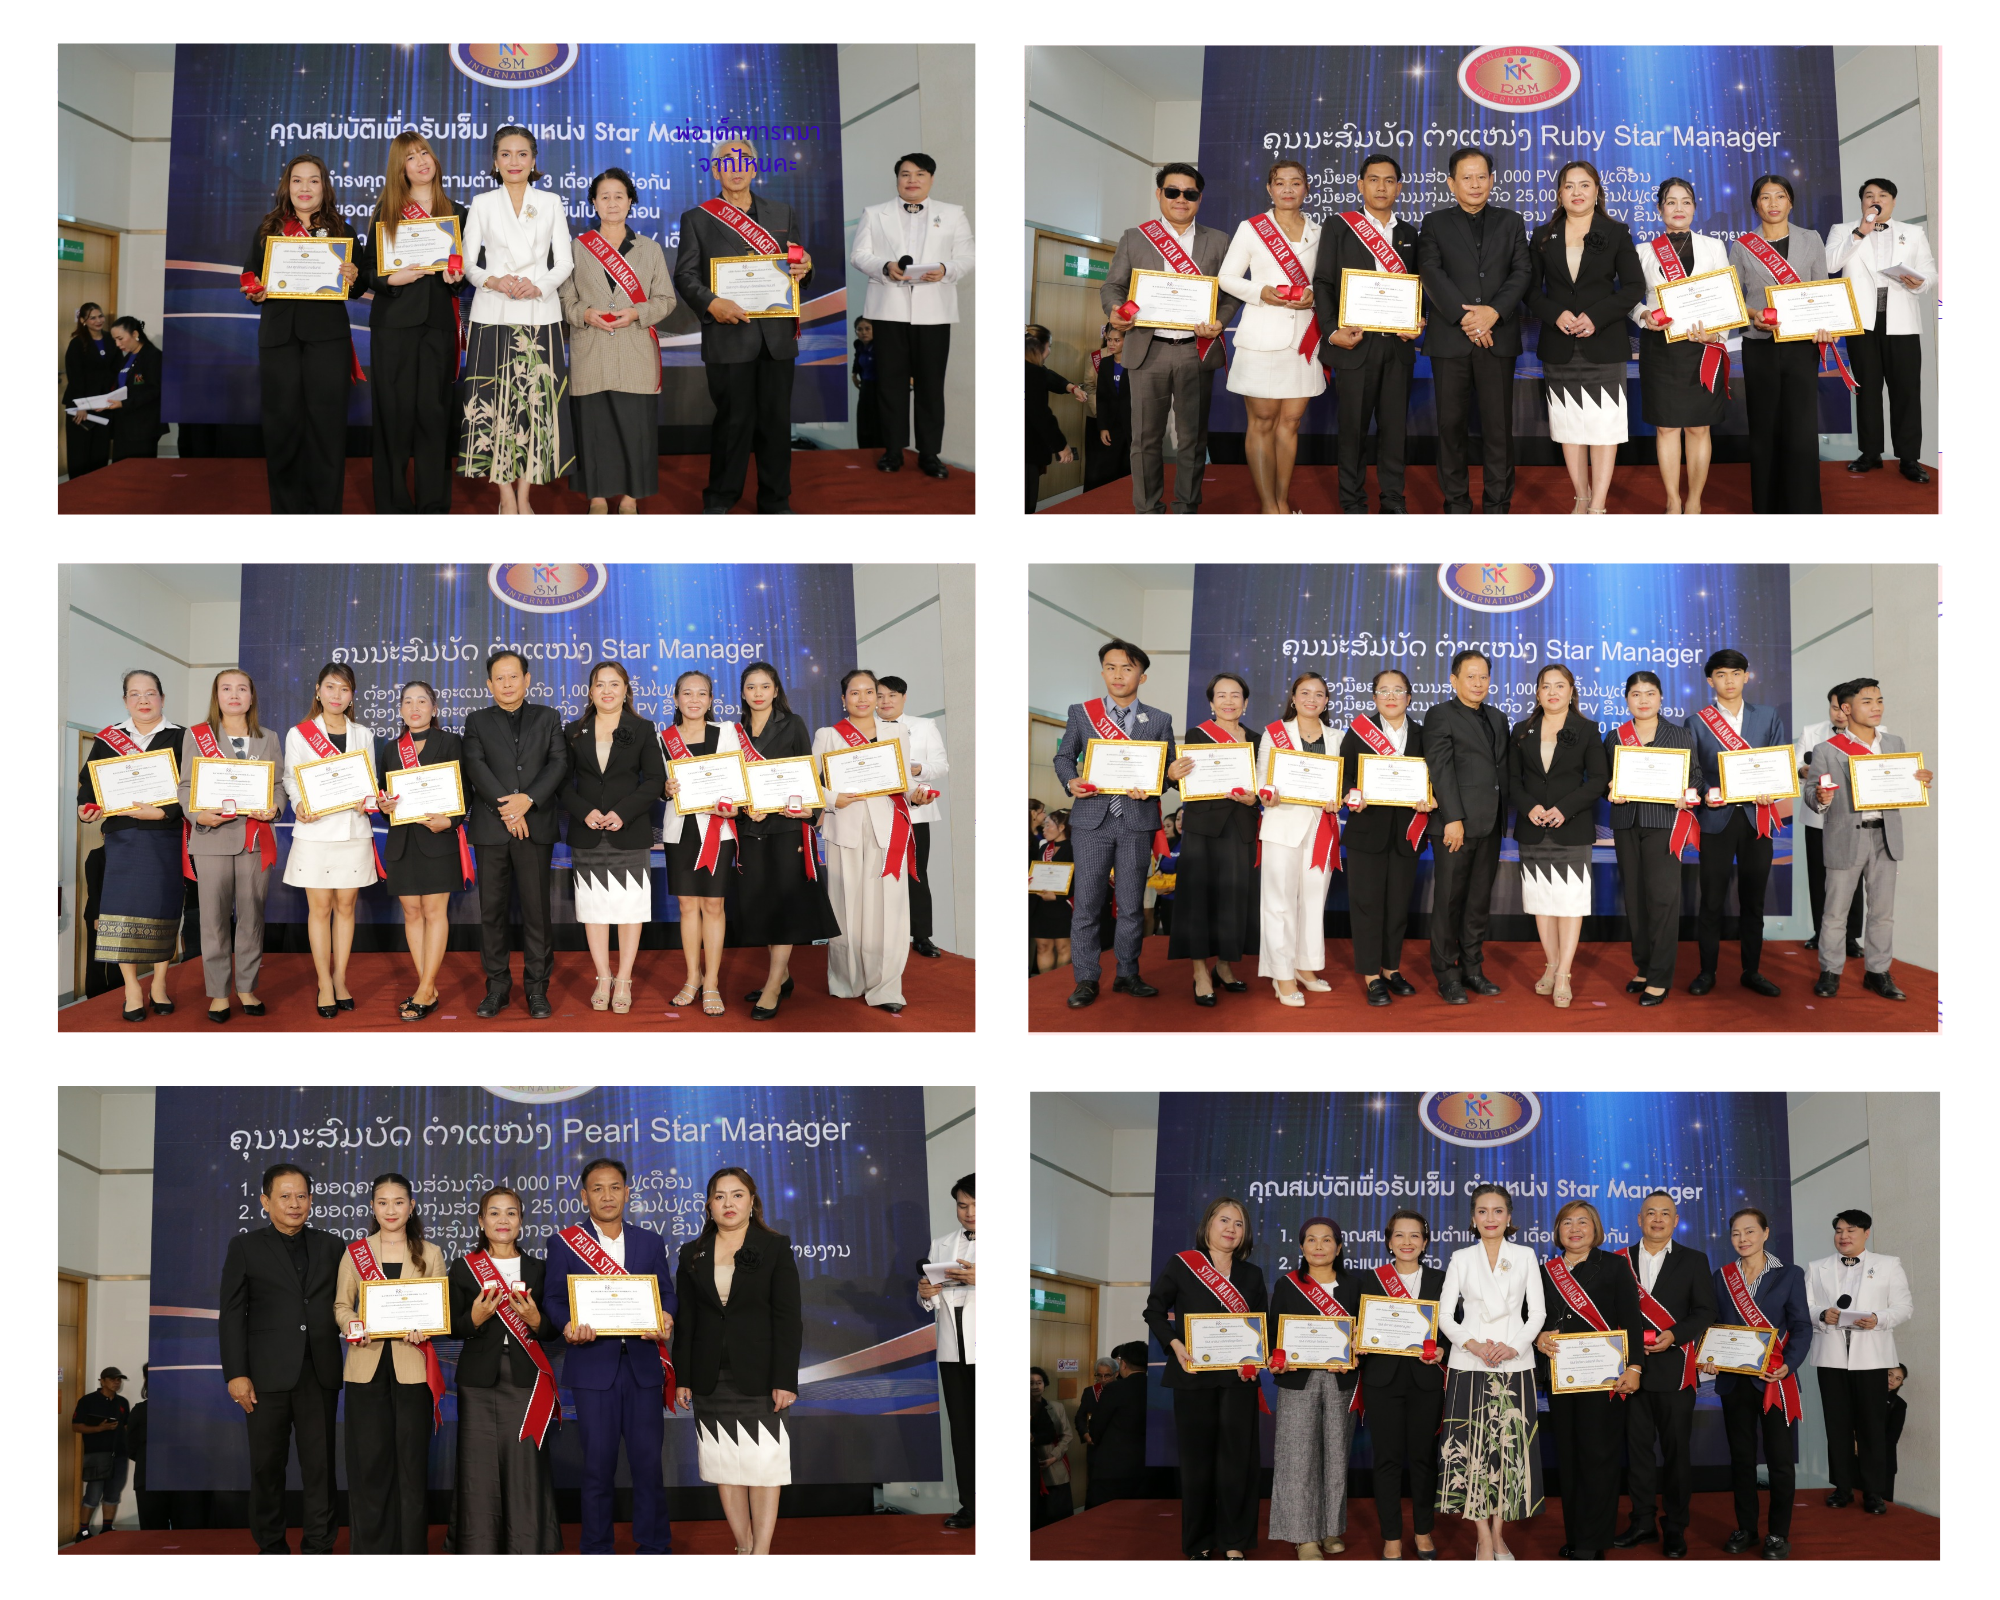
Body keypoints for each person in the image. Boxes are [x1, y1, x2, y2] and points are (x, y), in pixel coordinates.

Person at [542, 1157, 678, 1554]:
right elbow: (553, 1298)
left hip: (642, 1367)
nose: (607, 1195)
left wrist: (667, 1316)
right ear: (584, 1196)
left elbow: (666, 1293)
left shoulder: (649, 1241)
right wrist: (568, 1323)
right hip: (593, 1366)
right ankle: (597, 1549)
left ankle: (654, 1546)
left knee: (648, 1466)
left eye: (615, 1187)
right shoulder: (564, 1243)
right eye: (597, 1188)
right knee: (597, 1468)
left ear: (627, 1193)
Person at [673, 137, 815, 515]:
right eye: (727, 162)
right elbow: (685, 276)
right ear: (715, 170)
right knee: (732, 424)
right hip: (728, 336)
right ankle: (720, 498)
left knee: (776, 423)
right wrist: (711, 303)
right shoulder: (698, 218)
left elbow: (798, 262)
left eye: (744, 160)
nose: (736, 168)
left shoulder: (782, 213)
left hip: (776, 338)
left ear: (754, 167)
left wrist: (806, 267)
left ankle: (775, 501)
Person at [673, 1167, 803, 1554]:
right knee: (724, 1465)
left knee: (764, 1467)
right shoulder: (691, 1253)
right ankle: (743, 1546)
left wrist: (785, 1379)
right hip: (710, 1377)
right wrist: (684, 1377)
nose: (728, 1203)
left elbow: (788, 1318)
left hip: (761, 1377)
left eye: (737, 1195)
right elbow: (687, 1320)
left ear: (752, 1201)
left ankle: (761, 1552)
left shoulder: (774, 1246)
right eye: (719, 1196)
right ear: (709, 1205)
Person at [217, 1163, 343, 1554]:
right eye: (285, 1196)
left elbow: (351, 1301)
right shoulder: (245, 1247)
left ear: (311, 1200)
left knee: (321, 1468)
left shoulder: (332, 1246)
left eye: (301, 1196)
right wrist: (236, 1374)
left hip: (319, 1373)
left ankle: (319, 1547)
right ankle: (271, 1547)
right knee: (266, 1468)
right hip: (264, 1378)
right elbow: (232, 1314)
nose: (294, 1203)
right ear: (265, 1201)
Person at [1100, 163, 1236, 514]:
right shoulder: (1135, 237)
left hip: (1196, 350)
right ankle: (1148, 510)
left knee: (1192, 439)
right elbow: (1113, 285)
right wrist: (1115, 309)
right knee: (1145, 439)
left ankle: (1186, 508)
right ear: (1159, 193)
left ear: (1200, 198)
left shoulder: (1219, 240)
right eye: (1173, 191)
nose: (1181, 199)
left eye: (1190, 193)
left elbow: (1231, 293)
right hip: (1148, 351)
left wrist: (1220, 320)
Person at [1053, 639, 1178, 1007]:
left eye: (1127, 668)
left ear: (1142, 676)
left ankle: (1127, 973)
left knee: (1131, 905)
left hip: (1136, 821)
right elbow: (1064, 757)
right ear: (1102, 672)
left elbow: (1167, 775)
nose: (1118, 675)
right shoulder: (1082, 713)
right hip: (1092, 820)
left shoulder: (1159, 719)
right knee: (1087, 904)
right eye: (1110, 667)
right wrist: (1070, 781)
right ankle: (1086, 978)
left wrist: (1156, 785)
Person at [239, 152, 365, 513]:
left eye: (313, 180)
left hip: (327, 340)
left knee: (327, 427)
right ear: (287, 186)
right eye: (297, 180)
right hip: (279, 339)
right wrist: (254, 290)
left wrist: (353, 276)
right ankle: (287, 513)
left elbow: (358, 287)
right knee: (281, 427)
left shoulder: (342, 230)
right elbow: (250, 276)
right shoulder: (268, 230)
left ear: (324, 186)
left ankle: (325, 512)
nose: (304, 187)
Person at [460, 125, 575, 513]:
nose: (514, 161)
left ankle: (525, 496)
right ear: (495, 161)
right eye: (506, 154)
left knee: (533, 409)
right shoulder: (482, 203)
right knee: (494, 407)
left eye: (522, 154)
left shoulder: (551, 202)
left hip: (538, 313)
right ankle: (505, 496)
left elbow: (564, 262)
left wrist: (538, 286)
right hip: (492, 312)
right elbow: (467, 263)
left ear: (533, 160)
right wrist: (493, 279)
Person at [1145, 1196, 1267, 1560]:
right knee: (1197, 1464)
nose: (1231, 1229)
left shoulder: (1252, 1275)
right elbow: (1154, 1310)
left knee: (1237, 1463)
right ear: (1208, 1225)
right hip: (1192, 1376)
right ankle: (1199, 1542)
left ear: (1245, 1233)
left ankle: (1234, 1541)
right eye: (1224, 1220)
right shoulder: (1183, 1265)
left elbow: (1262, 1324)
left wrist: (1255, 1358)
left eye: (1239, 1223)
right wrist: (1174, 1344)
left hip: (1238, 1380)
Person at [334, 1172, 447, 1553]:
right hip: (365, 1367)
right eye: (382, 1203)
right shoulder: (355, 1253)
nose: (391, 1210)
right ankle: (372, 1551)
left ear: (411, 1206)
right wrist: (351, 1324)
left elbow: (439, 1311)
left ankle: (410, 1550)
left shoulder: (431, 1253)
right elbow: (341, 1305)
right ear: (372, 1207)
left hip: (412, 1367)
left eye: (399, 1202)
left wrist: (426, 1328)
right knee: (369, 1464)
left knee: (411, 1465)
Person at [1526, 161, 1644, 513]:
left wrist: (1596, 317)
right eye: (1569, 186)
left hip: (1603, 344)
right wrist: (1554, 314)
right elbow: (1529, 291)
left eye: (1584, 185)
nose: (1576, 192)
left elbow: (1634, 287)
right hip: (1559, 345)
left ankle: (1599, 506)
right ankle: (1581, 498)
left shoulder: (1616, 232)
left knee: (1604, 428)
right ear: (1559, 194)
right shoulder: (1542, 235)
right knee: (1569, 427)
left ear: (1597, 191)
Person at [1804, 678, 1933, 1000]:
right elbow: (1811, 793)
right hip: (1844, 837)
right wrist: (1820, 797)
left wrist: (1918, 782)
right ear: (1847, 709)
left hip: (1885, 837)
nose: (1876, 707)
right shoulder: (1826, 750)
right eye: (1867, 702)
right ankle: (1830, 971)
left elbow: (1902, 786)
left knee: (1882, 912)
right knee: (1835, 912)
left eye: (1879, 701)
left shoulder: (1895, 743)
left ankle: (1877, 972)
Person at [1419, 149, 1531, 514]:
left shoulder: (1511, 221)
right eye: (1466, 177)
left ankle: (1497, 506)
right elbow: (1431, 272)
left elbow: (1522, 272)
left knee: (1498, 429)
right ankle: (1456, 505)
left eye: (1482, 176)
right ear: (1451, 183)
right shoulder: (1434, 222)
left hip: (1497, 339)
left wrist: (1492, 313)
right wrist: (1468, 319)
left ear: (1492, 180)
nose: (1475, 184)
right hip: (1451, 340)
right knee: (1450, 428)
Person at [450, 1185, 561, 1552]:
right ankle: (478, 1544)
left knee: (525, 1464)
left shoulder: (539, 1269)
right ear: (481, 1221)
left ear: (521, 1221)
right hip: (478, 1381)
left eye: (511, 1213)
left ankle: (526, 1543)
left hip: (526, 1379)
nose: (503, 1220)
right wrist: (474, 1318)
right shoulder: (464, 1267)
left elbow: (553, 1328)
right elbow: (450, 1325)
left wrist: (536, 1320)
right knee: (477, 1465)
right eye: (494, 1213)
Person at [850, 152, 975, 478]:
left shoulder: (953, 214)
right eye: (905, 174)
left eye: (920, 174)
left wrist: (945, 269)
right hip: (888, 310)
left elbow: (968, 257)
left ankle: (930, 454)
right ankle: (893, 451)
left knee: (931, 385)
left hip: (934, 312)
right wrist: (884, 266)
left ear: (931, 179)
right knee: (890, 383)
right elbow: (859, 255)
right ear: (897, 179)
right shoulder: (874, 213)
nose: (912, 180)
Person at [1532, 1201, 1645, 1560]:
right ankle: (1577, 1534)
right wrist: (1537, 1337)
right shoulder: (1544, 1272)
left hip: (1605, 1379)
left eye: (1583, 1222)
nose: (1575, 1228)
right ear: (1558, 1231)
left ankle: (1594, 1541)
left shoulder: (1614, 1265)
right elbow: (1530, 1318)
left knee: (1598, 1458)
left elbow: (1631, 1319)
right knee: (1568, 1458)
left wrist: (1635, 1367)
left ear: (1595, 1229)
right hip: (1562, 1378)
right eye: (1567, 1222)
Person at [1311, 152, 1423, 514]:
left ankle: (1393, 501)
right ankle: (1353, 504)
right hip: (1354, 345)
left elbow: (1420, 287)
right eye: (1374, 180)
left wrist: (1418, 319)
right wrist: (1332, 331)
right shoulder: (1339, 226)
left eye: (1389, 181)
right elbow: (1323, 282)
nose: (1381, 187)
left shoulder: (1409, 234)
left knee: (1394, 431)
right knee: (1353, 432)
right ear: (1361, 185)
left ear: (1399, 188)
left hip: (1397, 349)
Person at [1436, 1184, 1544, 1558]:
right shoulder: (1461, 1258)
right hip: (1470, 1362)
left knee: (1508, 1452)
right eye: (1482, 1211)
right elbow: (1445, 1316)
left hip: (1514, 1362)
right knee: (1472, 1451)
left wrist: (1514, 1346)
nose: (1490, 1218)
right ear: (1473, 1218)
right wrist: (1474, 1345)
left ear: (1509, 1217)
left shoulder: (1525, 1255)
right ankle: (1482, 1535)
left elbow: (1538, 1313)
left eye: (1498, 1211)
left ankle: (1499, 1534)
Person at [729, 661, 841, 1021]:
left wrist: (797, 808)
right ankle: (784, 975)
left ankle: (773, 985)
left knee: (784, 906)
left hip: (786, 827)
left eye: (765, 686)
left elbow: (806, 775)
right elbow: (732, 782)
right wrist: (746, 808)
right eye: (751, 687)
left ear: (776, 690)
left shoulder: (792, 724)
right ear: (743, 692)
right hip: (750, 828)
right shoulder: (734, 731)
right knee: (762, 904)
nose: (758, 693)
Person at [561, 167, 676, 513]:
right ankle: (596, 498)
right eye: (604, 197)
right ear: (594, 203)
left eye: (619, 196)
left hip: (635, 349)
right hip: (591, 348)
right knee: (593, 428)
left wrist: (638, 313)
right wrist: (584, 313)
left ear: (630, 201)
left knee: (635, 429)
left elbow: (666, 299)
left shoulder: (650, 249)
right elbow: (564, 299)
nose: (612, 203)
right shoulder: (576, 248)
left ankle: (630, 498)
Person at [462, 650, 569, 1019]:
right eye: (499, 678)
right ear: (489, 684)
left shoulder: (548, 717)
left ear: (527, 679)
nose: (507, 684)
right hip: (492, 829)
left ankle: (537, 989)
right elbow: (475, 767)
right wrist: (508, 810)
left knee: (537, 912)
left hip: (534, 826)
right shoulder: (476, 720)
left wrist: (529, 799)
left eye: (513, 676)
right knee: (491, 913)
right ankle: (497, 988)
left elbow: (558, 763)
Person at [1609, 1191, 1716, 1558]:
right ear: (1639, 1220)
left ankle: (1675, 1526)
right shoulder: (1617, 1261)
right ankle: (1642, 1522)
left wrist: (1676, 1334)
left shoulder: (1694, 1260)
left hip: (1675, 1372)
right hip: (1628, 1372)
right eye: (1650, 1213)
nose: (1657, 1219)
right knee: (1637, 1455)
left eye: (1665, 1213)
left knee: (1676, 1455)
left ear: (1675, 1220)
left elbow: (1705, 1311)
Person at [1702, 1205, 1812, 1560]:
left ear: (1765, 1233)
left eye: (1750, 1231)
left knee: (1779, 1460)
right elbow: (1712, 1325)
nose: (1742, 1239)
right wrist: (1709, 1357)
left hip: (1774, 1380)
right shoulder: (1721, 1277)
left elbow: (1802, 1326)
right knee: (1741, 1459)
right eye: (1736, 1233)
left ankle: (1778, 1533)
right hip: (1734, 1383)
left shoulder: (1789, 1274)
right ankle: (1746, 1528)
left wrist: (1788, 1365)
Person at [1216, 158, 1324, 514]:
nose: (1288, 189)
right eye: (1280, 183)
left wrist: (1314, 295)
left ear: (1307, 188)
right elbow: (1227, 278)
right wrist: (1260, 292)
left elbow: (1326, 282)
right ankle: (1269, 508)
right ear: (1269, 188)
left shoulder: (1319, 231)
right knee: (1262, 421)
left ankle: (1282, 501)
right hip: (1261, 337)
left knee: (1290, 424)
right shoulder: (1251, 229)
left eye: (1296, 182)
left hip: (1304, 339)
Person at [77, 673, 187, 1022]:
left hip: (165, 836)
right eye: (135, 694)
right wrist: (85, 808)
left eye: (150, 693)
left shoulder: (181, 737)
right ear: (125, 700)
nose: (143, 700)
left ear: (162, 698)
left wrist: (165, 812)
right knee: (121, 912)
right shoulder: (109, 739)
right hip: (122, 837)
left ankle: (159, 983)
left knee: (163, 909)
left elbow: (192, 788)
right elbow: (89, 783)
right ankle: (131, 988)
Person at [366, 130, 466, 514]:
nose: (421, 161)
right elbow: (367, 271)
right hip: (393, 326)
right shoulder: (385, 213)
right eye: (411, 157)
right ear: (400, 168)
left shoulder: (458, 213)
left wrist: (457, 279)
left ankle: (433, 508)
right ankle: (392, 508)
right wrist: (391, 279)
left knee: (434, 419)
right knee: (393, 419)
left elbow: (468, 272)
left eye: (425, 152)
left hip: (438, 327)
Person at [177, 668, 282, 1024]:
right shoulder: (197, 735)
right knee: (213, 921)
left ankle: (247, 987)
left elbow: (278, 784)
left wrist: (275, 806)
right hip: (212, 838)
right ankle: (219, 993)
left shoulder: (269, 737)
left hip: (254, 838)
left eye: (242, 689)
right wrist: (197, 815)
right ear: (216, 696)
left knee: (251, 918)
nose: (234, 695)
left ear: (252, 697)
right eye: (226, 688)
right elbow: (185, 786)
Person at [813, 668, 921, 1012]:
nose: (863, 698)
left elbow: (904, 781)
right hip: (844, 827)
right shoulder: (828, 735)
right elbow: (810, 782)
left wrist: (918, 794)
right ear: (843, 699)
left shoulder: (896, 731)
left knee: (888, 909)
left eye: (869, 692)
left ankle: (886, 987)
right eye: (855, 692)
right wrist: (833, 799)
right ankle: (846, 980)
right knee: (845, 906)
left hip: (887, 828)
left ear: (878, 697)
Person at [561, 661, 665, 1015]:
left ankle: (623, 979)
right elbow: (562, 783)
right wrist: (584, 811)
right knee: (594, 910)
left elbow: (654, 780)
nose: (607, 690)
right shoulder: (574, 731)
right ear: (590, 691)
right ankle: (603, 977)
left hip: (629, 832)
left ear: (625, 690)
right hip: (587, 832)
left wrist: (623, 812)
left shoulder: (643, 728)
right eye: (600, 684)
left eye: (614, 684)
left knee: (629, 909)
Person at [1687, 648, 1790, 997]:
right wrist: (1707, 792)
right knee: (1711, 900)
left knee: (1754, 899)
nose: (1728, 681)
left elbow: (1779, 762)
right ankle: (1707, 971)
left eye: (1735, 673)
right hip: (1716, 819)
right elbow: (1693, 772)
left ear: (1746, 677)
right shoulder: (1696, 722)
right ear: (1710, 681)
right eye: (1721, 674)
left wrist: (1772, 790)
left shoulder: (1768, 716)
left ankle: (1752, 971)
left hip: (1756, 819)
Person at [1730, 175, 1835, 514]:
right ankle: (1767, 507)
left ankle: (1804, 506)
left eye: (1780, 196)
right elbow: (1734, 297)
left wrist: (1827, 326)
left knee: (1801, 427)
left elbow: (1822, 289)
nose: (1773, 203)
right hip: (1759, 344)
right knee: (1764, 426)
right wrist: (1753, 315)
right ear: (1755, 204)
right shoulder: (1742, 246)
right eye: (1765, 197)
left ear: (1790, 202)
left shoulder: (1811, 239)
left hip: (1801, 345)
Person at [1507, 663, 1609, 1009]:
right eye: (1546, 686)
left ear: (1571, 691)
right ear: (1537, 693)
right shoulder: (1522, 730)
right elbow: (1512, 780)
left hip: (1572, 829)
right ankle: (1550, 965)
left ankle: (1564, 973)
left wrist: (1565, 808)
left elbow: (1598, 779)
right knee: (1542, 903)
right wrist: (1529, 807)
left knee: (1569, 904)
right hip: (1533, 828)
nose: (1552, 691)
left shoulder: (1587, 729)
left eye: (1560, 685)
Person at [282, 662, 379, 1019]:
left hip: (353, 830)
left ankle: (340, 978)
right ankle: (324, 982)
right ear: (318, 691)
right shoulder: (299, 734)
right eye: (330, 687)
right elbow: (291, 778)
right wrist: (298, 803)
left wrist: (368, 799)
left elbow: (369, 781)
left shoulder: (363, 734)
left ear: (352, 695)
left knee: (347, 908)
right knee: (320, 909)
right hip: (316, 831)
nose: (337, 695)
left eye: (344, 689)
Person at [1630, 178, 1731, 514]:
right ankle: (1673, 500)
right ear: (1660, 209)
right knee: (1666, 426)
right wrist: (1644, 315)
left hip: (1704, 347)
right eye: (1671, 202)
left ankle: (1694, 501)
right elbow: (1630, 299)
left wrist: (1717, 334)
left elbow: (1726, 296)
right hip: (1661, 347)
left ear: (1694, 208)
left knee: (1699, 427)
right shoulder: (1643, 251)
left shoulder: (1713, 246)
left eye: (1685, 201)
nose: (1678, 208)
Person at [1826, 178, 1936, 483]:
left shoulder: (1912, 233)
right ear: (1862, 202)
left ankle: (1909, 458)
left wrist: (1921, 282)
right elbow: (1830, 263)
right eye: (1869, 195)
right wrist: (1859, 233)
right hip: (1863, 322)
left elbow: (1930, 272)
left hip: (1902, 321)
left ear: (1893, 201)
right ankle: (1870, 453)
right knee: (1867, 389)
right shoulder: (1843, 230)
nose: (1875, 200)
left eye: (1882, 195)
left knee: (1906, 390)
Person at [1806, 1209, 1913, 1516]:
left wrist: (1879, 1318)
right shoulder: (1816, 1267)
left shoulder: (1888, 1265)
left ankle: (1873, 1492)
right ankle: (1842, 1488)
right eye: (1839, 1230)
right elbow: (1804, 1307)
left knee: (1872, 1425)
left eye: (1851, 1230)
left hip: (1873, 1357)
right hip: (1831, 1356)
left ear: (1866, 1233)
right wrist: (1821, 1315)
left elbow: (1904, 1307)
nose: (1844, 1236)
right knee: (1836, 1423)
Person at [374, 680, 467, 1022]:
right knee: (411, 912)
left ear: (434, 708)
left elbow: (465, 791)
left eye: (422, 701)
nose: (415, 707)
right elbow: (384, 795)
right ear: (400, 709)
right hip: (402, 841)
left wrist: (452, 820)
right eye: (408, 702)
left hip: (437, 838)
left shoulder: (450, 742)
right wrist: (383, 804)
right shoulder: (390, 749)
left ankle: (425, 990)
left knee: (433, 911)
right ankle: (427, 988)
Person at [1604, 671, 1699, 1007]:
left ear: (1661, 697)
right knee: (1635, 899)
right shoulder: (1614, 737)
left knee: (1662, 900)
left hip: (1664, 825)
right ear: (1626, 699)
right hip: (1626, 824)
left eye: (1649, 693)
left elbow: (1696, 778)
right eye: (1636, 694)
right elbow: (1604, 782)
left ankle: (1659, 978)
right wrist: (1610, 791)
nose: (1643, 700)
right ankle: (1644, 968)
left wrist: (1688, 795)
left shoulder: (1679, 734)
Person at [1357, 1211, 1448, 1559]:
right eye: (1399, 1235)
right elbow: (1357, 1326)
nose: (1407, 1242)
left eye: (1414, 1236)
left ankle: (1424, 1531)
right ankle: (1391, 1536)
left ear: (1425, 1243)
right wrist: (1357, 1340)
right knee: (1387, 1460)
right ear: (1388, 1242)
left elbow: (1454, 1326)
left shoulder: (1441, 1280)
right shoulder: (1370, 1280)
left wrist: (1444, 1349)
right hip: (1382, 1380)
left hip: (1426, 1380)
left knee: (1424, 1460)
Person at [1268, 1216, 1360, 1558]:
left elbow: (1363, 1333)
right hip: (1298, 1380)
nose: (1318, 1246)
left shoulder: (1354, 1285)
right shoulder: (1287, 1284)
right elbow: (1275, 1333)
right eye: (1311, 1239)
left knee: (1336, 1455)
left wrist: (1356, 1349)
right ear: (1301, 1246)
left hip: (1341, 1380)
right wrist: (1277, 1357)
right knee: (1297, 1456)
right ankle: (1304, 1537)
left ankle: (1330, 1528)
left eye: (1326, 1240)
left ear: (1338, 1247)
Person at [1339, 668, 1431, 1005]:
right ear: (1374, 697)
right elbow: (1344, 775)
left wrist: (1431, 798)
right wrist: (1352, 794)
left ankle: (1391, 968)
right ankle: (1370, 974)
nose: (1391, 696)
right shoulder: (1358, 732)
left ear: (1409, 696)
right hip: (1367, 832)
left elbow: (1434, 776)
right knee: (1367, 905)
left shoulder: (1424, 734)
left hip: (1407, 833)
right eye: (1383, 690)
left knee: (1397, 906)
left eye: (1398, 690)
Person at [1424, 648, 1510, 1002]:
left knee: (1477, 903)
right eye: (1470, 676)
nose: (1478, 683)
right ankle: (1447, 974)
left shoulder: (1498, 717)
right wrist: (1453, 819)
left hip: (1490, 824)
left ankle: (1473, 968)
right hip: (1454, 826)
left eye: (1483, 676)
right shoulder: (1440, 715)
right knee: (1449, 901)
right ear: (1453, 680)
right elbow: (1441, 770)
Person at [1170, 673, 1259, 1005]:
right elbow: (1184, 779)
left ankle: (1223, 965)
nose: (1228, 701)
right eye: (1221, 695)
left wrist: (1256, 797)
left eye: (1235, 695)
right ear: (1211, 702)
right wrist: (1173, 774)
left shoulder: (1257, 739)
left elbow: (1265, 783)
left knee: (1234, 899)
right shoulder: (1197, 735)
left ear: (1245, 702)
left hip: (1241, 826)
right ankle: (1199, 972)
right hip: (1203, 829)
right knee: (1199, 899)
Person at [1255, 671, 1341, 1006]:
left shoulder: (1337, 737)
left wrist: (1340, 797)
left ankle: (1305, 966)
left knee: (1314, 901)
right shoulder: (1274, 733)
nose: (1311, 699)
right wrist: (1268, 792)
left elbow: (1343, 781)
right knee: (1279, 903)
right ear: (1293, 698)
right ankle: (1282, 975)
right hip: (1282, 825)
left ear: (1327, 701)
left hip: (1321, 828)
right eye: (1304, 693)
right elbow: (1262, 778)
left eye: (1319, 694)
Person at [660, 669, 742, 1016]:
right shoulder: (663, 739)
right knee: (687, 906)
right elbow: (656, 784)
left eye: (702, 693)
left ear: (710, 700)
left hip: (717, 829)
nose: (694, 700)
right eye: (687, 693)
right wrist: (664, 789)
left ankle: (712, 981)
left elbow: (740, 779)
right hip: (681, 830)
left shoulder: (726, 733)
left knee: (713, 905)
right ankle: (692, 977)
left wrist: (737, 804)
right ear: (675, 698)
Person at [874, 674, 950, 958]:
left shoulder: (924, 725)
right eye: (879, 695)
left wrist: (917, 769)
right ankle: (880, 934)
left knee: (916, 872)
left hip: (915, 812)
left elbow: (941, 766)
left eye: (892, 695)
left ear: (904, 697)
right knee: (877, 873)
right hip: (876, 811)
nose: (885, 701)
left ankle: (921, 935)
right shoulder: (863, 728)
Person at [1796, 683, 1870, 958]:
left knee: (1853, 878)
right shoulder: (1811, 732)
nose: (1839, 714)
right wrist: (1805, 770)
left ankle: (1850, 937)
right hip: (1818, 818)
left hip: (1853, 819)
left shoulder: (1870, 734)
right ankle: (1821, 932)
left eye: (1844, 708)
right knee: (1819, 878)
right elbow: (1794, 766)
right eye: (1834, 708)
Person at [920, 1174, 977, 1531]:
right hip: (952, 1348)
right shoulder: (940, 1244)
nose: (969, 1213)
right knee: (962, 1431)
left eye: (976, 1205)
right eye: (962, 1205)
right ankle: (970, 1505)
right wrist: (925, 1294)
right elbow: (930, 1297)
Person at [1026, 331, 1086, 510]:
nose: (1049, 351)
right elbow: (1041, 416)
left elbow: (1050, 377)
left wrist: (1073, 388)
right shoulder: (1031, 373)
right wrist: (1061, 446)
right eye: (1049, 347)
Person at [71, 1366, 131, 1542]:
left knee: (113, 1493)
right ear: (102, 1381)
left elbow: (126, 1426)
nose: (117, 1383)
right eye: (112, 1379)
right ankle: (83, 1531)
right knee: (93, 1494)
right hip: (97, 1454)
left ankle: (107, 1529)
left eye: (119, 1380)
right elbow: (76, 1426)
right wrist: (100, 1428)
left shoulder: (122, 1402)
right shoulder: (87, 1401)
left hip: (119, 1454)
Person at [1083, 1343, 1148, 1507]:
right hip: (1149, 1468)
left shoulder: (1114, 1389)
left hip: (1114, 1466)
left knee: (1106, 1514)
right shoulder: (1158, 1387)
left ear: (1123, 1364)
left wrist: (1094, 1438)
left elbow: (1097, 1425)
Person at [63, 301, 116, 478]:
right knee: (80, 451)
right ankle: (77, 489)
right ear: (83, 321)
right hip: (81, 406)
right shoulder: (77, 343)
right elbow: (75, 376)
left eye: (100, 316)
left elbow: (115, 370)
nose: (98, 320)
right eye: (92, 318)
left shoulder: (110, 339)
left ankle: (98, 487)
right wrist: (82, 405)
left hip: (103, 403)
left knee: (100, 450)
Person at [104, 317, 166, 461]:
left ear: (135, 334)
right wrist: (106, 402)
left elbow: (154, 390)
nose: (118, 344)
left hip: (143, 425)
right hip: (124, 423)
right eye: (115, 340)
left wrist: (124, 403)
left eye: (120, 339)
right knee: (120, 466)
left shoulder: (153, 356)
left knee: (140, 469)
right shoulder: (128, 358)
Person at [1083, 326, 1131, 492]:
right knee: (1108, 466)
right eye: (1109, 340)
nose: (1111, 344)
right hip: (1110, 422)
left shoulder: (1134, 363)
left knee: (1127, 466)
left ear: (1126, 341)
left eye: (1117, 340)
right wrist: (1103, 426)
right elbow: (1102, 397)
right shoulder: (1105, 363)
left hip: (1131, 421)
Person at [1030, 1367, 1078, 1526]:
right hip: (1030, 1468)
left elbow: (1067, 1435)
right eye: (1030, 1383)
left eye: (1039, 1382)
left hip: (1054, 1464)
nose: (1035, 1386)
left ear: (1045, 1384)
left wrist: (1054, 1456)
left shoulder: (1056, 1407)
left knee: (1059, 1516)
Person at [1032, 807, 1075, 974]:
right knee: (1043, 946)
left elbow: (1079, 879)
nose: (1044, 829)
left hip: (1064, 904)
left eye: (1048, 825)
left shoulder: (1074, 848)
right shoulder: (1044, 848)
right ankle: (1045, 983)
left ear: (1062, 827)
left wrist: (1057, 897)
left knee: (1063, 946)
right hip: (1042, 905)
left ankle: (1059, 984)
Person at [851, 316, 882, 450]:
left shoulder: (881, 346)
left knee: (877, 423)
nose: (864, 332)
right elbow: (857, 359)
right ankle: (863, 452)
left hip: (880, 389)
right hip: (865, 387)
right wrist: (854, 374)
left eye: (867, 329)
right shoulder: (858, 345)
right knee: (863, 422)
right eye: (860, 329)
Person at [1883, 1363, 1908, 1504]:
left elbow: (1892, 1437)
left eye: (1898, 1378)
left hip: (1884, 1461)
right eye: (1890, 1374)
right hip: (1857, 1458)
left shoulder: (1899, 1404)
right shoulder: (1865, 1396)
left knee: (1882, 1504)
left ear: (1901, 1383)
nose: (1892, 1380)